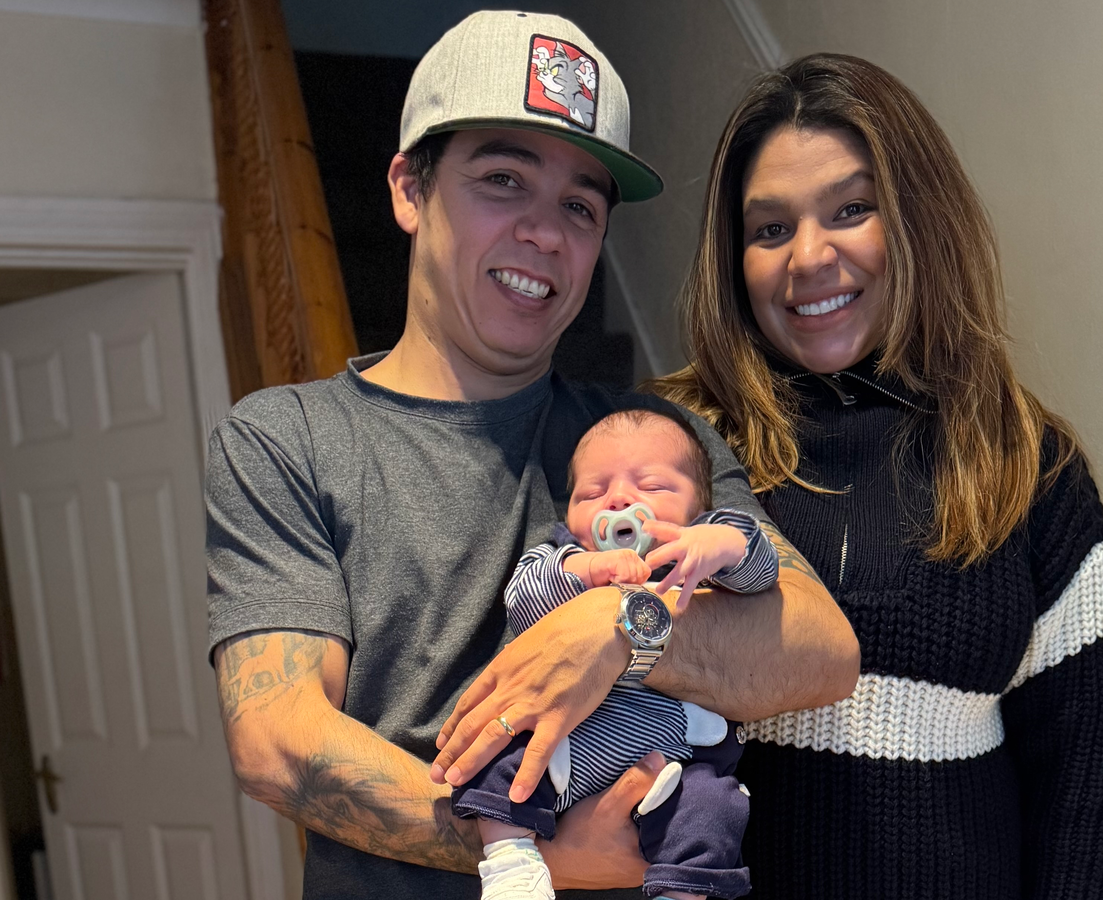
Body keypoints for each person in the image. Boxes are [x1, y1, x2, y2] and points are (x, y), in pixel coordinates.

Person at [205, 12, 859, 900]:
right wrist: (527, 853)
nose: (546, 234)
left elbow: (820, 651)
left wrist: (619, 631)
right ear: (409, 189)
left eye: (580, 207)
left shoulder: (652, 441)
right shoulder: (285, 442)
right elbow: (276, 739)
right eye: (503, 180)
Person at [651, 53, 1103, 899]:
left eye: (851, 209)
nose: (807, 257)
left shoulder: (1028, 466)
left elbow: (1074, 801)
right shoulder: (673, 450)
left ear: (919, 219)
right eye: (769, 230)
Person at [456, 408, 777, 900]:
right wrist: (587, 571)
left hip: (675, 759)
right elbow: (523, 601)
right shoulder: (560, 556)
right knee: (498, 756)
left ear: (699, 507)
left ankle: (682, 893)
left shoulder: (707, 558)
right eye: (592, 493)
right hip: (566, 745)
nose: (619, 499)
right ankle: (512, 865)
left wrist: (727, 544)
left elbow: (762, 574)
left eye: (651, 486)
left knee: (715, 806)